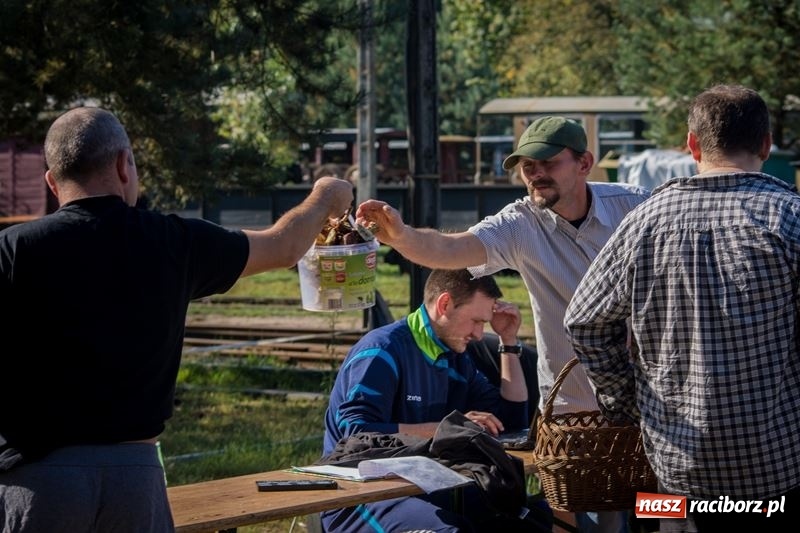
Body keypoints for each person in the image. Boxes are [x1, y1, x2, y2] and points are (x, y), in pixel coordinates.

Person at [0, 106, 354, 532]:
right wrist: (326, 195)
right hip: (136, 480)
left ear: (53, 183)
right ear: (123, 165)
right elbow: (283, 247)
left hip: (39, 480)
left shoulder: (13, 250)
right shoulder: (175, 242)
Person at [356, 116, 650, 533]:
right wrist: (401, 236)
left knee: (656, 505)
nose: (536, 174)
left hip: (649, 392)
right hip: (572, 403)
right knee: (568, 508)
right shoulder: (520, 223)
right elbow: (453, 249)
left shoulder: (636, 207)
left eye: (548, 162)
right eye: (528, 166)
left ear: (584, 163)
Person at [564, 84, 800, 532]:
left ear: (692, 144)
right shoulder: (790, 218)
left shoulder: (644, 221)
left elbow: (584, 320)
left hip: (674, 477)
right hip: (776, 470)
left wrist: (627, 403)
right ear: (767, 144)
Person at [321, 268, 529, 532]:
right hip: (359, 494)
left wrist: (508, 342)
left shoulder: (455, 357)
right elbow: (354, 434)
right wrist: (447, 429)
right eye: (476, 321)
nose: (479, 334)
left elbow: (511, 422)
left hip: (427, 485)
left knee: (527, 520)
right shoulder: (381, 351)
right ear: (444, 304)